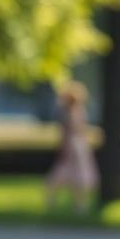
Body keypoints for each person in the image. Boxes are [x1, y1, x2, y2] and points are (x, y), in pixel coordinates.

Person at [45, 81, 100, 215]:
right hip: (77, 144)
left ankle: (76, 204)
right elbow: (77, 128)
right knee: (77, 175)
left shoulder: (71, 111)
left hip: (75, 144)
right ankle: (79, 205)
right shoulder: (75, 110)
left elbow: (69, 130)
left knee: (72, 174)